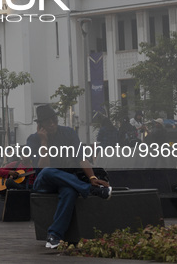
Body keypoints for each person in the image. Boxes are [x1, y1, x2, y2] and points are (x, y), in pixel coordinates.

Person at [31, 104, 112, 249]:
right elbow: (42, 168)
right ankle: (91, 190)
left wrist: (93, 178)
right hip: (44, 183)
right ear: (40, 125)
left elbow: (81, 158)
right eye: (48, 121)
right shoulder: (34, 139)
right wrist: (44, 142)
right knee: (47, 171)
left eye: (54, 119)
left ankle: (54, 235)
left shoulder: (68, 133)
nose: (52, 123)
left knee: (69, 191)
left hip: (68, 182)